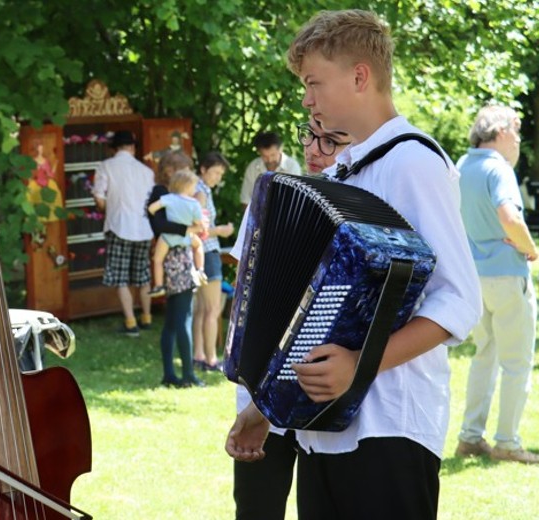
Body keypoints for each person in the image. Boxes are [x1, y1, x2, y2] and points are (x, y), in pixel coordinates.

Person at [225, 10, 482, 520]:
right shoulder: (345, 168)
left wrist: (359, 367)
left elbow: (459, 300)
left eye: (314, 82)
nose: (306, 98)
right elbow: (310, 315)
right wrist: (265, 410)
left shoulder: (413, 163)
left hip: (389, 430)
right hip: (324, 432)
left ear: (360, 76)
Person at [232, 118, 351, 520]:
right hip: (260, 384)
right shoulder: (267, 201)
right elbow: (243, 295)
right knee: (257, 506)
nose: (315, 150)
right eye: (311, 137)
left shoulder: (363, 206)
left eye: (332, 140)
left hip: (327, 391)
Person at [454, 105, 539, 464]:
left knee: (484, 356)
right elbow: (510, 216)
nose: (518, 141)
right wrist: (531, 249)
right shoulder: (497, 168)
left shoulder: (461, 166)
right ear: (501, 132)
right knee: (517, 362)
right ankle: (507, 442)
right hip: (506, 274)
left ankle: (470, 437)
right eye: (516, 133)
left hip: (473, 276)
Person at [146, 151, 205, 388]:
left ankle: (169, 374)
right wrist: (189, 230)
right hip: (178, 257)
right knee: (183, 319)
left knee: (173, 320)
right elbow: (159, 224)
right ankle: (188, 374)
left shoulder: (169, 197)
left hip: (172, 253)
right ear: (171, 170)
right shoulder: (165, 194)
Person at [93, 130, 156, 337]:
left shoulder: (106, 167)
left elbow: (99, 199)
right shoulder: (146, 171)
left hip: (118, 226)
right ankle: (147, 317)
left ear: (114, 148)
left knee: (120, 278)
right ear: (133, 147)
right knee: (143, 276)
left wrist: (106, 208)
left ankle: (130, 322)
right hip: (144, 228)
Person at [192, 152, 234, 371]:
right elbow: (200, 228)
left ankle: (198, 355)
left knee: (200, 309)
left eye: (220, 174)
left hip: (200, 253)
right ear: (203, 169)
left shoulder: (198, 188)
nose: (218, 177)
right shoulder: (201, 192)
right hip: (207, 253)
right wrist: (223, 230)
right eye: (216, 172)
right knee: (213, 308)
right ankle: (211, 359)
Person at [146, 168, 206, 298]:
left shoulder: (169, 198)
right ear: (188, 186)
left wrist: (155, 214)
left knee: (157, 260)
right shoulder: (194, 203)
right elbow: (198, 223)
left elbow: (151, 208)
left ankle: (158, 286)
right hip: (186, 237)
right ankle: (200, 270)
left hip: (168, 237)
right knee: (199, 245)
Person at [239, 131, 302, 207]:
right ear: (259, 152)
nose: (269, 160)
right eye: (265, 156)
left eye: (273, 155)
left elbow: (294, 200)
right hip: (256, 216)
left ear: (280, 149)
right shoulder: (253, 167)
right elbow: (245, 200)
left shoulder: (292, 167)